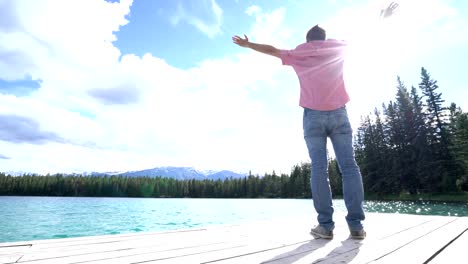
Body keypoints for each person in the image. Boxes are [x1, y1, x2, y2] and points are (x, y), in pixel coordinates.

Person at [232, 3, 398, 240]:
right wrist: (383, 16)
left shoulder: (300, 52)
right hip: (339, 113)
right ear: (324, 38)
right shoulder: (338, 47)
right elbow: (366, 36)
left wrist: (248, 45)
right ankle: (356, 227)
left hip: (313, 116)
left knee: (319, 170)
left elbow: (273, 50)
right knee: (349, 168)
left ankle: (326, 227)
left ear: (308, 40)